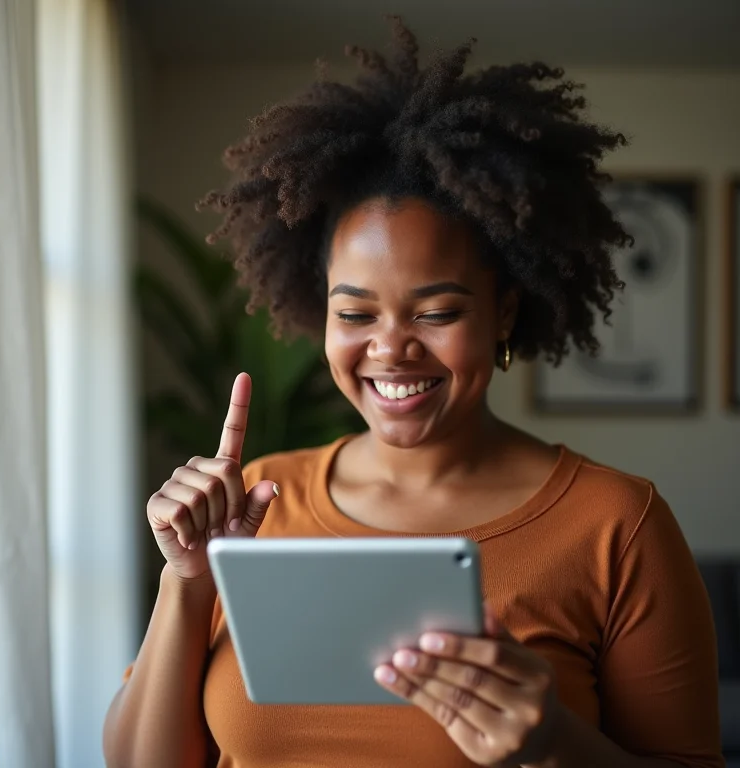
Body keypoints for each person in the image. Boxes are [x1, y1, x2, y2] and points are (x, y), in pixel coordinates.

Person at [103, 16, 723, 768]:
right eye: (355, 313)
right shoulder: (254, 504)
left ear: (505, 309)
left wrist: (554, 744)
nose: (390, 348)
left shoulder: (617, 525)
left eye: (436, 312)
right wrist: (188, 579)